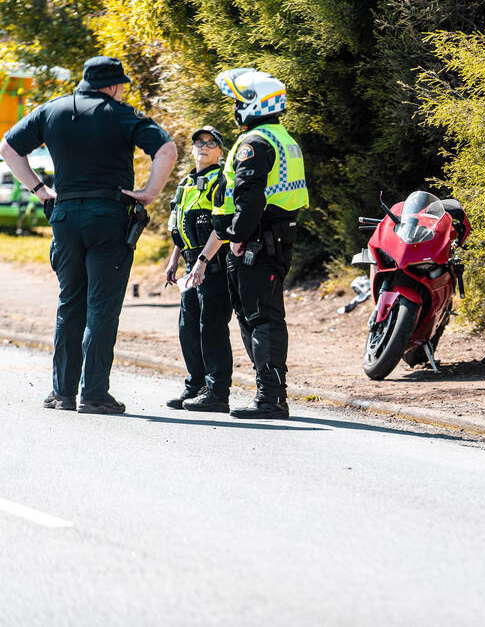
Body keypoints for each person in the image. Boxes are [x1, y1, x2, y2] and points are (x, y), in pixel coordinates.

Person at [0, 56, 176, 415]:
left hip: (64, 215)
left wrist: (39, 190)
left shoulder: (51, 111)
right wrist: (150, 192)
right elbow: (166, 149)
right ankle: (94, 393)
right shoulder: (122, 113)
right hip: (109, 216)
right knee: (102, 307)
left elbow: (8, 148)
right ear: (111, 86)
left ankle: (61, 393)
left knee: (70, 302)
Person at [188, 68, 307, 420]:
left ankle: (271, 398)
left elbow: (250, 198)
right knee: (254, 314)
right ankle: (268, 394)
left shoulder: (254, 143)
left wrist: (238, 237)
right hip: (273, 236)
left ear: (253, 104)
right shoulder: (283, 137)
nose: (235, 108)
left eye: (239, 101)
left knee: (261, 317)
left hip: (258, 241)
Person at [163, 126, 233, 412]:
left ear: (220, 151)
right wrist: (173, 260)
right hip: (192, 264)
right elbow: (181, 224)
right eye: (198, 143)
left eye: (210, 143)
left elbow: (222, 227)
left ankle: (217, 392)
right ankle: (195, 385)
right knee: (187, 326)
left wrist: (203, 262)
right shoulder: (187, 182)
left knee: (212, 327)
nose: (203, 147)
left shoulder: (221, 180)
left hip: (213, 263)